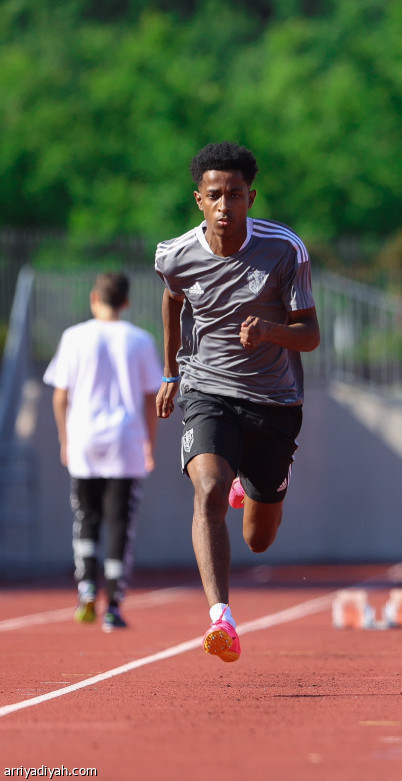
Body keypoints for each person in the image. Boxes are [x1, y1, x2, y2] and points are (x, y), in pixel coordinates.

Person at [155, 141, 320, 663]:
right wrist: (170, 372)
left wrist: (272, 331)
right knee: (207, 485)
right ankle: (220, 617)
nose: (224, 205)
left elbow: (310, 334)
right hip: (207, 388)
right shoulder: (175, 254)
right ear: (198, 201)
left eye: (234, 195)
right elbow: (172, 300)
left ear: (251, 197)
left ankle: (262, 485)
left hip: (274, 400)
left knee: (259, 540)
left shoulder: (284, 249)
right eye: (213, 195)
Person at [43, 272, 160, 632]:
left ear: (95, 298)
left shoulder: (73, 337)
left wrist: (64, 439)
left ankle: (86, 590)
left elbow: (60, 395)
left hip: (84, 437)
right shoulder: (140, 340)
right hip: (125, 439)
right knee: (121, 522)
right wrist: (149, 444)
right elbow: (150, 398)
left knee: (87, 517)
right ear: (125, 301)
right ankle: (114, 605)